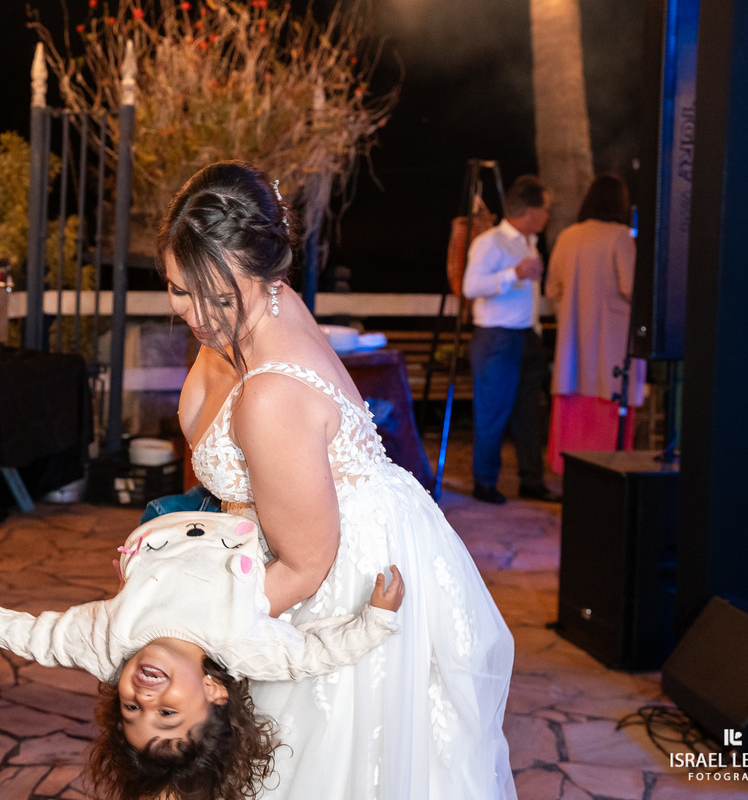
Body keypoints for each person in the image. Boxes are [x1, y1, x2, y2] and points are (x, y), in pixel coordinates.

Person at [158, 161, 516, 799]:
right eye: (178, 289)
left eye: (212, 294)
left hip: (334, 588)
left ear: (262, 269)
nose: (194, 314)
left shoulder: (272, 392)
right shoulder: (262, 304)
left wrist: (181, 630)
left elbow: (304, 567)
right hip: (309, 538)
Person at [0, 510, 406, 800]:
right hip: (235, 516)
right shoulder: (244, 646)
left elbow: (40, 638)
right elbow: (314, 655)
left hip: (161, 521)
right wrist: (375, 620)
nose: (145, 697)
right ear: (214, 691)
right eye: (169, 713)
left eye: (132, 709)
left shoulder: (107, 645)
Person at [463, 174, 559, 505]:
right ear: (531, 211)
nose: (548, 216)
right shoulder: (490, 242)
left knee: (531, 413)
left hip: (526, 335)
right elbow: (471, 287)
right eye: (546, 209)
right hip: (497, 338)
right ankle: (484, 482)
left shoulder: (528, 243)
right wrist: (512, 274)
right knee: (493, 411)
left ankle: (532, 480)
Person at [545, 173, 644, 473]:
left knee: (574, 407)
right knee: (610, 405)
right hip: (610, 348)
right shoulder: (621, 237)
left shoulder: (567, 236)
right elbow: (631, 287)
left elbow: (552, 289)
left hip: (573, 348)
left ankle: (569, 471)